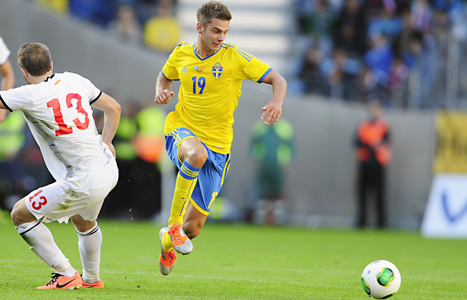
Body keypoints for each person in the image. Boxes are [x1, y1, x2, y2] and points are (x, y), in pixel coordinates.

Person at [154, 1, 287, 276]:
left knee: (195, 229)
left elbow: (279, 79)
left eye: (225, 32)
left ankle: (170, 241)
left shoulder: (234, 58)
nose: (221, 37)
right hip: (181, 130)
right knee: (196, 155)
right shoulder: (181, 54)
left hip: (219, 146)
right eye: (216, 31)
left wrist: (276, 101)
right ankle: (173, 226)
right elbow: (165, 76)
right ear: (200, 28)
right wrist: (162, 91)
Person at [0, 43, 120, 289]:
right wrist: (107, 140)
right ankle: (91, 279)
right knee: (83, 221)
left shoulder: (27, 94)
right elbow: (114, 108)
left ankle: (65, 274)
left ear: (23, 71)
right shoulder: (75, 80)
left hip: (84, 179)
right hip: (108, 168)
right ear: (51, 64)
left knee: (21, 215)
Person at [250, 118, 295, 225]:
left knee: (277, 192)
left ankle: (278, 219)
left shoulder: (285, 128)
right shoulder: (259, 128)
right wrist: (255, 159)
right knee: (263, 192)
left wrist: (287, 161)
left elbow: (291, 147)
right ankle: (262, 219)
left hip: (278, 166)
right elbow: (254, 145)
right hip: (264, 165)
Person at [354, 100, 391, 228]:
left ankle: (381, 223)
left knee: (379, 194)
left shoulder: (383, 126)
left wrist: (373, 145)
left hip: (378, 163)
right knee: (362, 194)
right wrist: (371, 145)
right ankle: (362, 221)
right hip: (365, 162)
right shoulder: (363, 126)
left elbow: (386, 142)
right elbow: (357, 141)